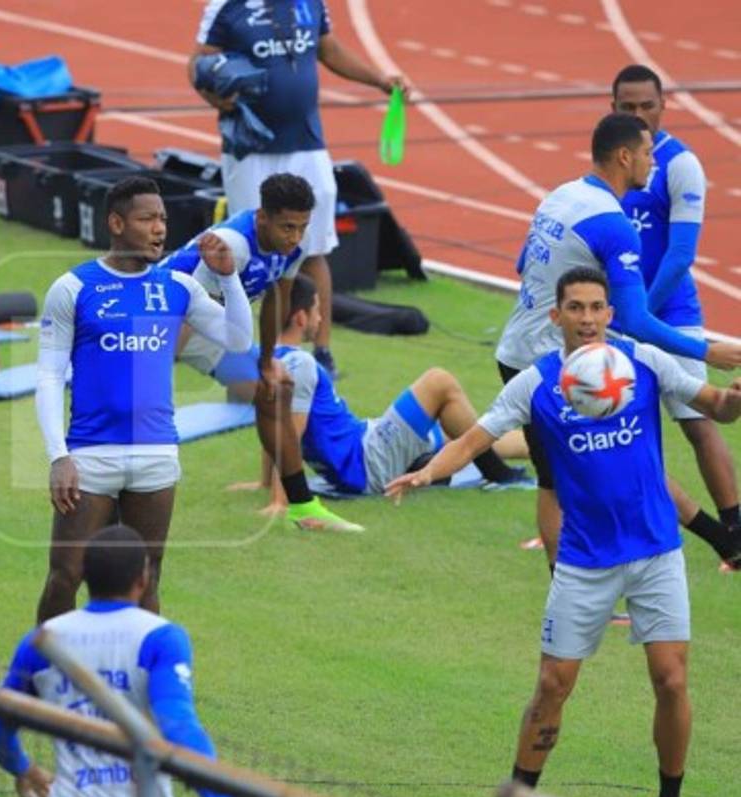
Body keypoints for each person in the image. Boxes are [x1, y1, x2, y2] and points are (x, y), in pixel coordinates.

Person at [388, 268, 741, 797]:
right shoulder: (535, 383)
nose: (588, 318)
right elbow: (477, 436)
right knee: (553, 686)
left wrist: (735, 398)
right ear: (556, 317)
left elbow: (715, 404)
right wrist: (427, 473)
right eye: (575, 308)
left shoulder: (643, 362)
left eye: (597, 307)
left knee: (671, 680)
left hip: (655, 553)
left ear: (610, 313)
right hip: (584, 562)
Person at [494, 112, 741, 566]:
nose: (653, 163)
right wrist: (708, 350)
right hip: (559, 366)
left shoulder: (561, 194)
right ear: (625, 157)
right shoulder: (613, 223)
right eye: (648, 154)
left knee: (587, 468)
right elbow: (635, 320)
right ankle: (711, 543)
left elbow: (521, 264)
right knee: (604, 466)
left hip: (519, 351)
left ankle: (722, 540)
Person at [34, 176, 253, 623]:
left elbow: (237, 338)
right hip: (91, 455)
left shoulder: (178, 288)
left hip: (156, 453)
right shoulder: (74, 288)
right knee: (66, 575)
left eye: (163, 220)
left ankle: (139, 683)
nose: (159, 229)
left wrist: (229, 280)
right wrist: (59, 456)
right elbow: (50, 375)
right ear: (116, 223)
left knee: (146, 576)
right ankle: (39, 682)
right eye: (147, 218)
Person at [190, 0, 408, 377]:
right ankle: (226, 345)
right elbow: (197, 64)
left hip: (308, 146)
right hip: (251, 148)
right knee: (247, 250)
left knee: (314, 249)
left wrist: (379, 79)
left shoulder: (312, 4)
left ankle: (321, 350)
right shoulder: (227, 7)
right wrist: (216, 98)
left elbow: (328, 48)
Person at [0, 525, 239, 797]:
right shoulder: (161, 638)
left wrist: (23, 768)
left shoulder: (41, 642)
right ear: (142, 580)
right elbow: (178, 727)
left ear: (87, 577)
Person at [160, 172, 363, 532]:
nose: (295, 237)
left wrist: (267, 361)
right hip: (161, 321)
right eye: (287, 227)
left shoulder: (295, 247)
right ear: (262, 216)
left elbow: (277, 297)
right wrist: (153, 377)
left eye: (302, 227)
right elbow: (182, 306)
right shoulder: (231, 245)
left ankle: (301, 506)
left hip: (210, 323)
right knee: (135, 412)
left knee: (275, 389)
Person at [612, 64, 741, 556]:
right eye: (629, 107)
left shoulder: (680, 165)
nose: (639, 115)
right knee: (613, 422)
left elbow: (681, 254)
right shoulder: (612, 159)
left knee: (695, 420)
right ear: (613, 108)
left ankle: (735, 527)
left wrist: (638, 308)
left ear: (664, 105)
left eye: (647, 105)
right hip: (619, 316)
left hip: (668, 312)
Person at [267, 275, 528, 503]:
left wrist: (264, 482)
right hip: (368, 460)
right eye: (316, 310)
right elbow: (288, 434)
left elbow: (270, 425)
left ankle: (547, 446)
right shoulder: (300, 364)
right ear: (301, 318)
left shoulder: (271, 361)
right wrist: (281, 499)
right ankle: (499, 474)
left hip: (365, 446)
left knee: (460, 434)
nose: (321, 317)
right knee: (439, 382)